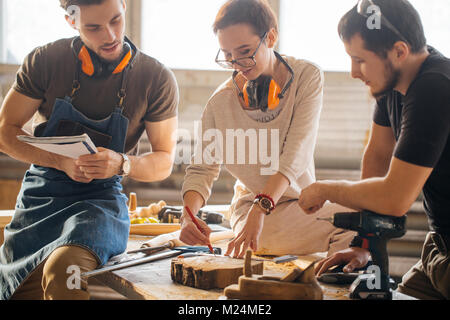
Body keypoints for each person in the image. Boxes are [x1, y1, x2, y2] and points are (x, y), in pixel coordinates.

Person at [0, 0, 178, 300]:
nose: (109, 35)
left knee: (63, 271)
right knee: (18, 291)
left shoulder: (155, 78)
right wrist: (60, 161)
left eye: (116, 20)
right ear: (72, 21)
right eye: (93, 27)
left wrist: (122, 163)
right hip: (41, 196)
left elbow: (164, 161)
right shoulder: (45, 60)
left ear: (124, 6)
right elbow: (5, 132)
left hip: (99, 203)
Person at [179, 0, 355, 259]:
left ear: (271, 37)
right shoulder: (221, 102)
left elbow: (295, 154)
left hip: (299, 204)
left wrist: (262, 208)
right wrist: (188, 216)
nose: (238, 63)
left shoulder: (308, 77)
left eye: (245, 51)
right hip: (252, 212)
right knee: (353, 227)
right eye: (228, 55)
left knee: (364, 215)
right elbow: (202, 169)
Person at [298, 0, 449, 300]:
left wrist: (325, 189)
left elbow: (395, 198)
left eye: (360, 60)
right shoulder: (391, 85)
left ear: (399, 51)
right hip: (439, 247)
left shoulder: (435, 87)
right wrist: (364, 243)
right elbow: (378, 157)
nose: (354, 72)